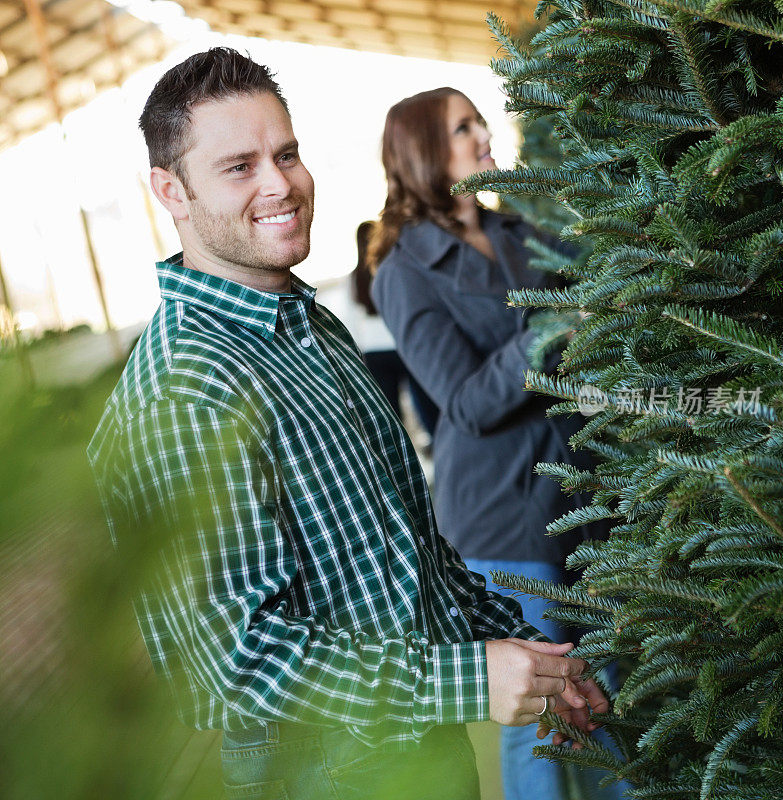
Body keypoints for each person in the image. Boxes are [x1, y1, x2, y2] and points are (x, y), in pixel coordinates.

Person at [87, 50, 610, 800]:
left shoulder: (310, 327)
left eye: (288, 153)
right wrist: (469, 678)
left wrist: (528, 652)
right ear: (170, 190)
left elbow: (406, 555)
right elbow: (240, 663)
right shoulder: (184, 387)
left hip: (416, 748)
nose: (281, 184)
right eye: (239, 166)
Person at [369, 88, 610, 800]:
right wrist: (552, 324)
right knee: (542, 722)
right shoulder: (404, 274)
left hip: (581, 496)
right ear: (423, 154)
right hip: (504, 519)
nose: (482, 135)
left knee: (607, 708)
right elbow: (468, 402)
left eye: (480, 121)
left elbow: (605, 264)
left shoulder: (520, 234)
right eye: (462, 128)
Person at [350, 220, 439, 440]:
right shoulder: (389, 268)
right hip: (400, 344)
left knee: (390, 412)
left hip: (373, 350)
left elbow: (351, 318)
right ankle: (435, 440)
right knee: (425, 403)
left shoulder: (354, 277)